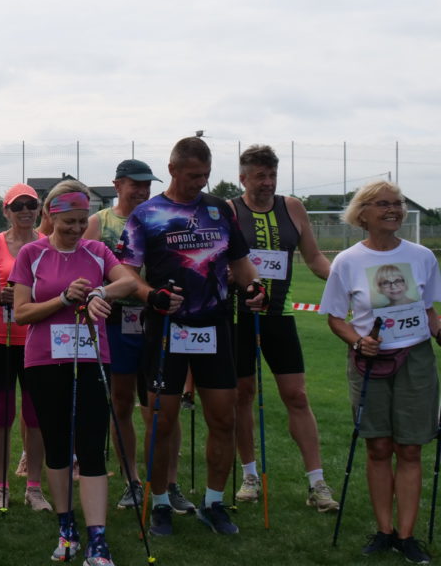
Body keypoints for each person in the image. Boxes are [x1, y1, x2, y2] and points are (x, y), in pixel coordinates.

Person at [117, 135, 265, 536]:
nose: (200, 183)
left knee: (223, 417)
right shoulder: (146, 214)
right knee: (161, 421)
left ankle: (214, 503)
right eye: (193, 175)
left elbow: (241, 262)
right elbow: (126, 271)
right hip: (166, 327)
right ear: (172, 170)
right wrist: (151, 295)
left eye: (205, 175)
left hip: (215, 325)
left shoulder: (219, 209)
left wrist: (255, 287)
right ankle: (160, 502)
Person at [13, 180, 138, 563]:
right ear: (50, 216)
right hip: (45, 362)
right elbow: (21, 313)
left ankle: (97, 541)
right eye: (69, 221)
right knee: (57, 447)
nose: (77, 228)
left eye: (83, 220)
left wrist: (101, 292)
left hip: (91, 360)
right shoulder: (32, 253)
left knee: (92, 448)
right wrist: (63, 298)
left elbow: (128, 281)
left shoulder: (97, 251)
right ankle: (67, 530)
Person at [320, 180, 441, 563]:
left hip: (416, 360)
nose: (393, 210)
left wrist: (439, 331)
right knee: (378, 447)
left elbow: (429, 311)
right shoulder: (347, 261)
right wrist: (358, 342)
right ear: (363, 214)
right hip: (369, 363)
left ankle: (406, 536)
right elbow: (335, 318)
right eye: (383, 204)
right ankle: (384, 531)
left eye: (397, 203)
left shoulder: (422, 256)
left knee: (410, 447)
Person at [227, 145, 338, 512]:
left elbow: (314, 257)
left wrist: (346, 282)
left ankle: (317, 482)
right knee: (243, 395)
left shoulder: (292, 208)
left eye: (272, 175)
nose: (268, 182)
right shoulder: (229, 210)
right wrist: (235, 279)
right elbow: (217, 263)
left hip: (280, 314)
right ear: (243, 178)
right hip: (240, 316)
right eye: (260, 176)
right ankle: (249, 475)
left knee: (297, 395)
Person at [84, 159, 196, 513]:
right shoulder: (99, 222)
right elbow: (87, 267)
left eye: (147, 184)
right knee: (121, 402)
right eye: (135, 184)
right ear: (117, 185)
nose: (142, 191)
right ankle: (132, 480)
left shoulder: (159, 216)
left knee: (164, 406)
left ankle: (169, 483)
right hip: (117, 322)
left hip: (158, 321)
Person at [0, 183, 52, 512]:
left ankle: (34, 487)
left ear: (38, 209)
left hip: (36, 339)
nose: (25, 210)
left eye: (31, 205)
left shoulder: (47, 243)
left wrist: (28, 295)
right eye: (17, 205)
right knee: (1, 415)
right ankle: (1, 486)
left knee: (35, 415)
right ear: (6, 211)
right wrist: (0, 295)